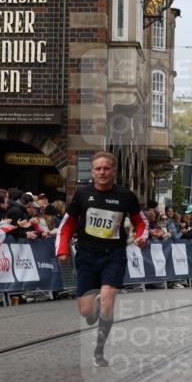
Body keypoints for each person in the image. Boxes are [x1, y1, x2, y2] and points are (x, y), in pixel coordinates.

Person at [55, 151, 148, 367]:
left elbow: (141, 222)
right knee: (86, 311)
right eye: (98, 168)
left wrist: (142, 237)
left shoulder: (126, 196)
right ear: (93, 172)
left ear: (113, 171)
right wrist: (62, 249)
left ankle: (99, 350)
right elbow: (67, 225)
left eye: (106, 168)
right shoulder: (82, 195)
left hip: (113, 256)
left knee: (107, 301)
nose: (102, 172)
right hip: (87, 256)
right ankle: (92, 309)